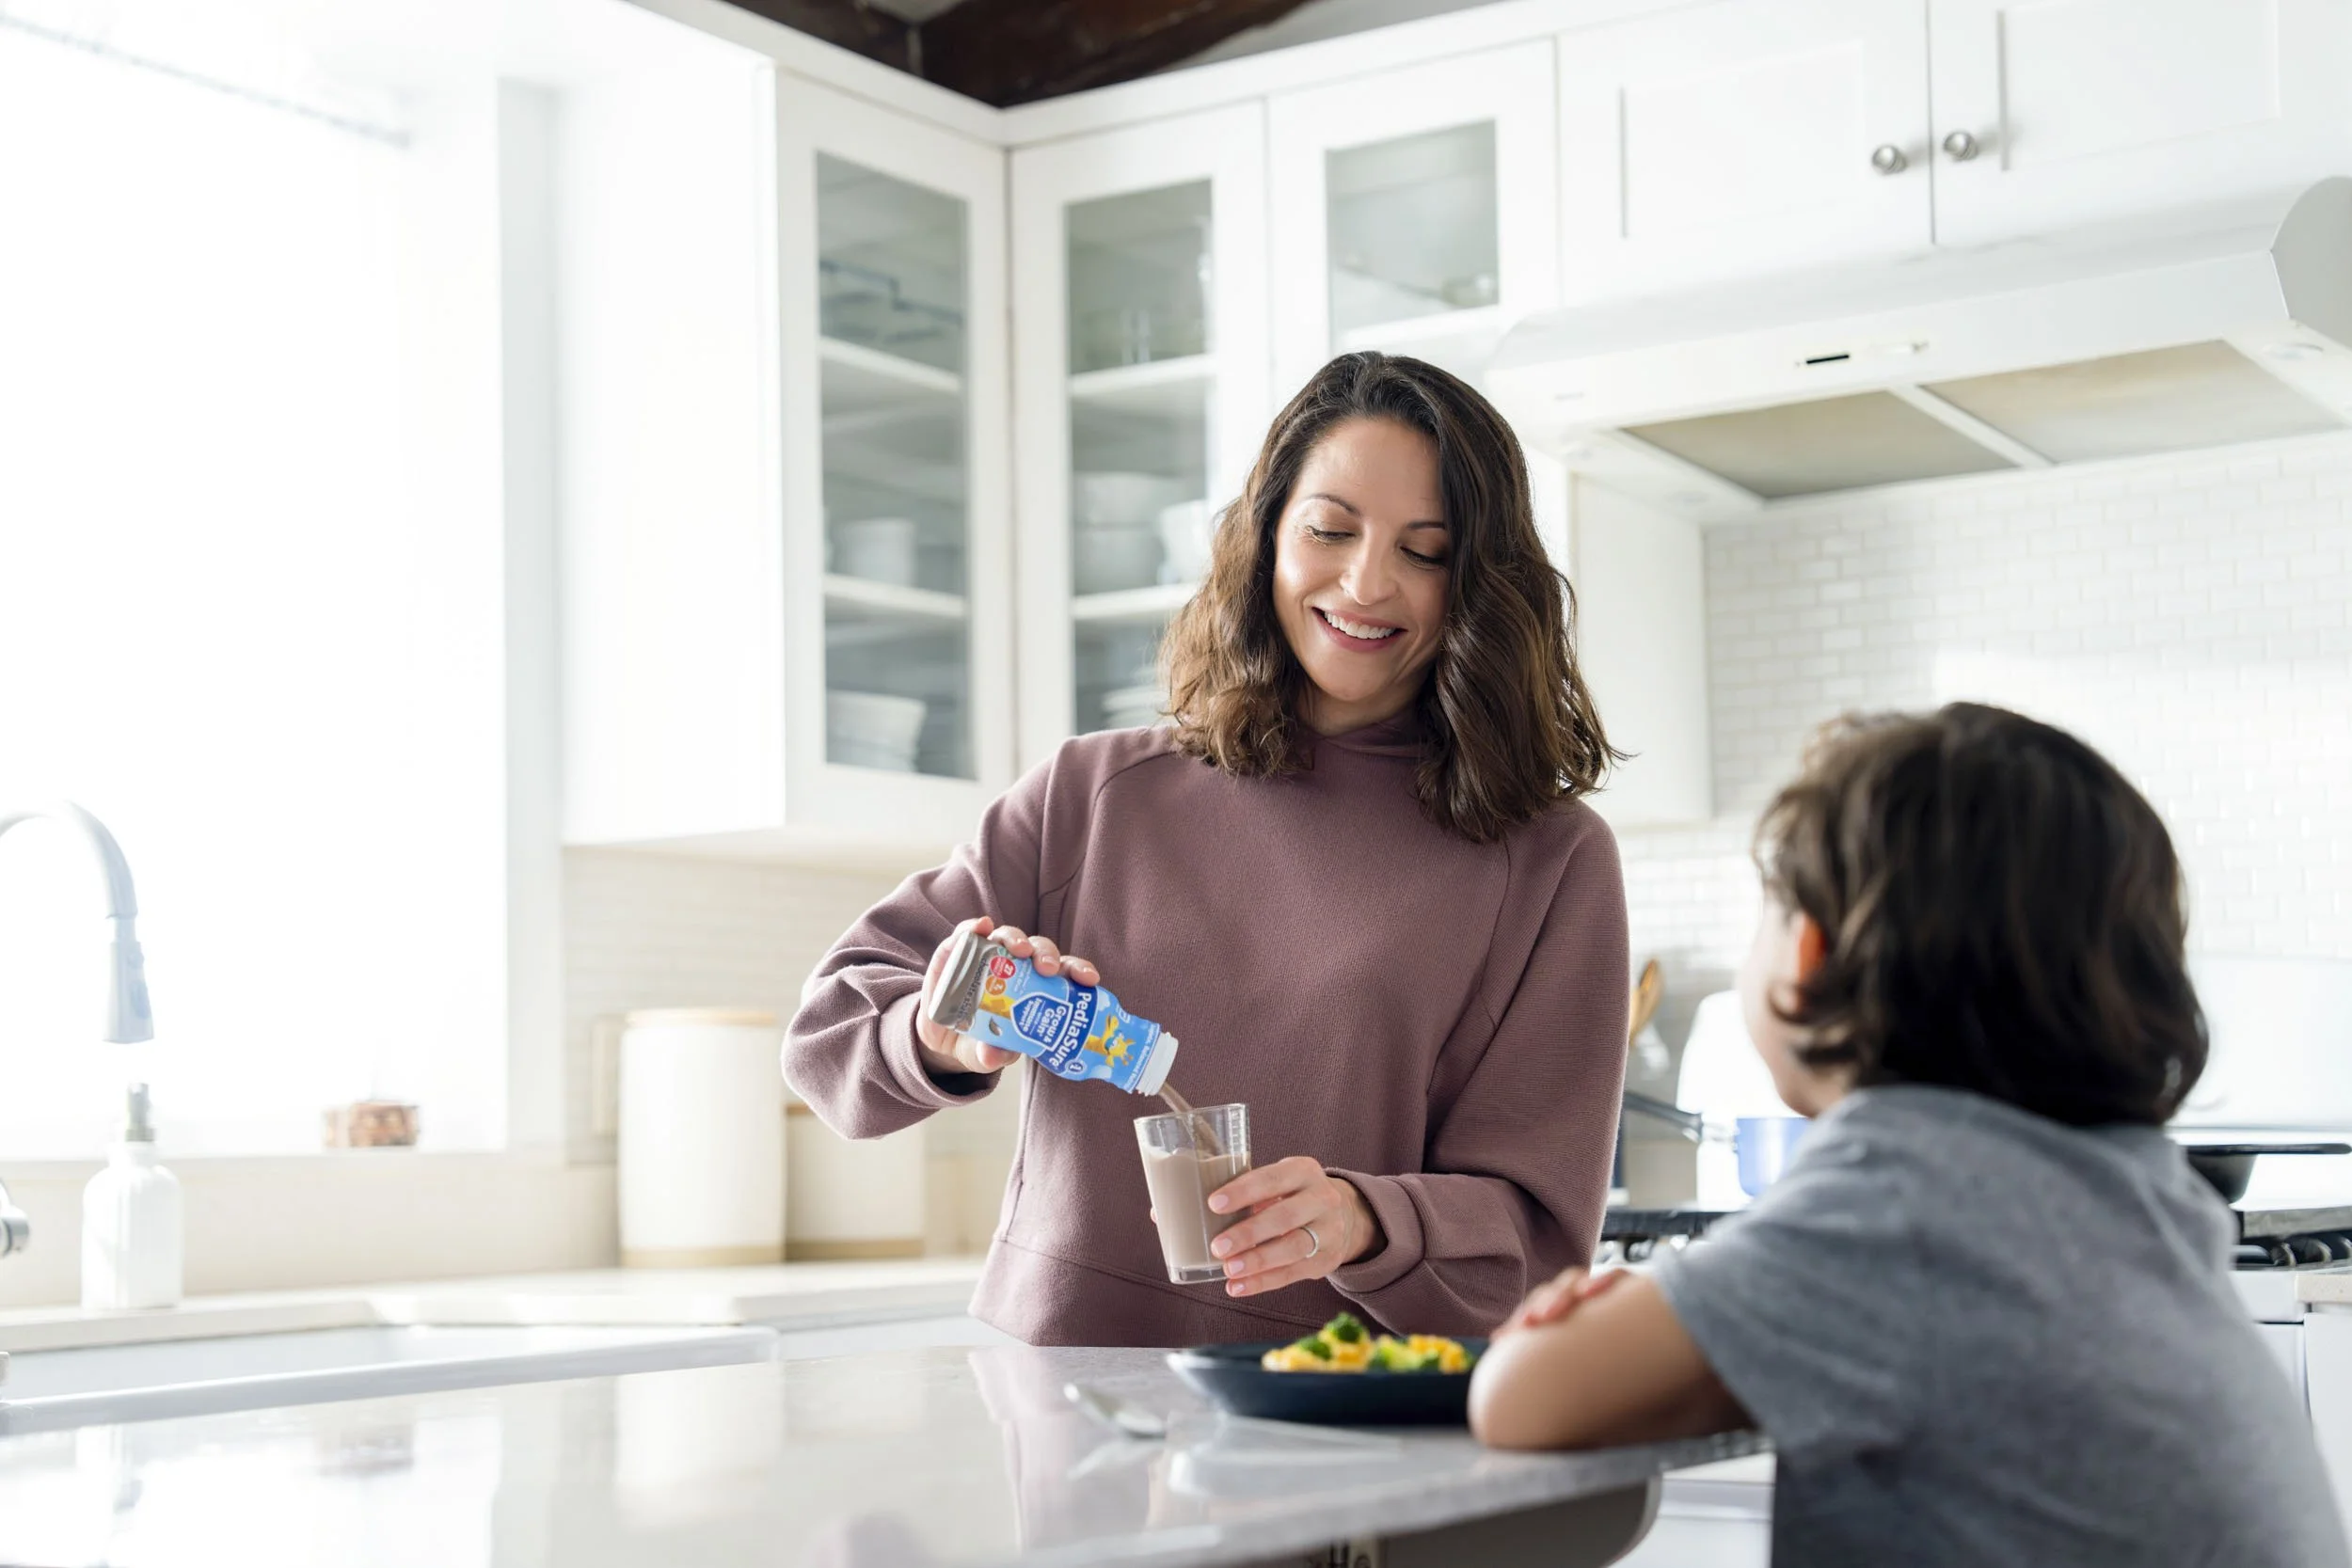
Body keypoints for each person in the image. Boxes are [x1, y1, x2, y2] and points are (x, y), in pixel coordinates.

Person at [786, 352, 1629, 1347]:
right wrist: (946, 1030)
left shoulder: (1548, 863)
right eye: (1329, 528)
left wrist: (1367, 1220)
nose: (1366, 581)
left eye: (1427, 550)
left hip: (1336, 1417)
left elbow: (1535, 1236)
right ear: (1266, 532)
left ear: (1478, 582)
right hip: (1063, 1404)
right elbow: (828, 1035)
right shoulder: (1093, 795)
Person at [1469, 703, 2350, 1568]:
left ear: (1807, 956)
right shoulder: (2123, 1183)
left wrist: (1598, 1322)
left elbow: (1524, 1399)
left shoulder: (1905, 1195)